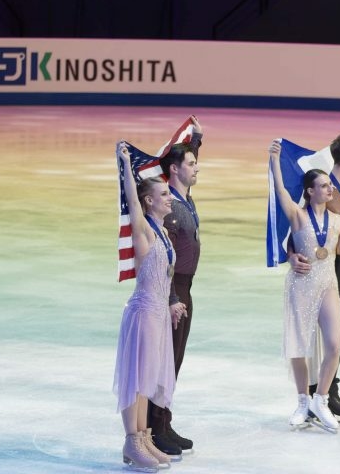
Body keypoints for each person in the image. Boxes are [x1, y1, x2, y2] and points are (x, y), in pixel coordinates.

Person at [268, 139, 340, 433]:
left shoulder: (339, 221)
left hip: (328, 283)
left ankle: (321, 399)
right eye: (324, 186)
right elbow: (280, 193)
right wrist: (275, 162)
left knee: (332, 344)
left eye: (330, 185)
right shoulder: (298, 216)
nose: (330, 189)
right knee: (299, 347)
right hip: (301, 284)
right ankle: (302, 401)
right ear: (310, 191)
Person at [113, 140, 179, 471]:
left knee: (147, 378)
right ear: (150, 201)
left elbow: (164, 277)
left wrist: (171, 304)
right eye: (165, 194)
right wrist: (125, 165)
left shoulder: (164, 233)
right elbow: (131, 197)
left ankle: (143, 436)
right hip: (141, 314)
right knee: (134, 379)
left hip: (158, 315)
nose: (170, 198)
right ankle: (131, 440)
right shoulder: (145, 230)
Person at [147, 116, 202, 457]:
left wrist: (195, 138)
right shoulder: (169, 209)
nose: (197, 167)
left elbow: (186, 162)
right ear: (175, 169)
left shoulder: (184, 198)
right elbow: (162, 258)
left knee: (175, 359)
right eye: (192, 163)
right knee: (164, 360)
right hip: (174, 290)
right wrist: (170, 297)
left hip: (186, 289)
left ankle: (164, 421)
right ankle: (154, 428)